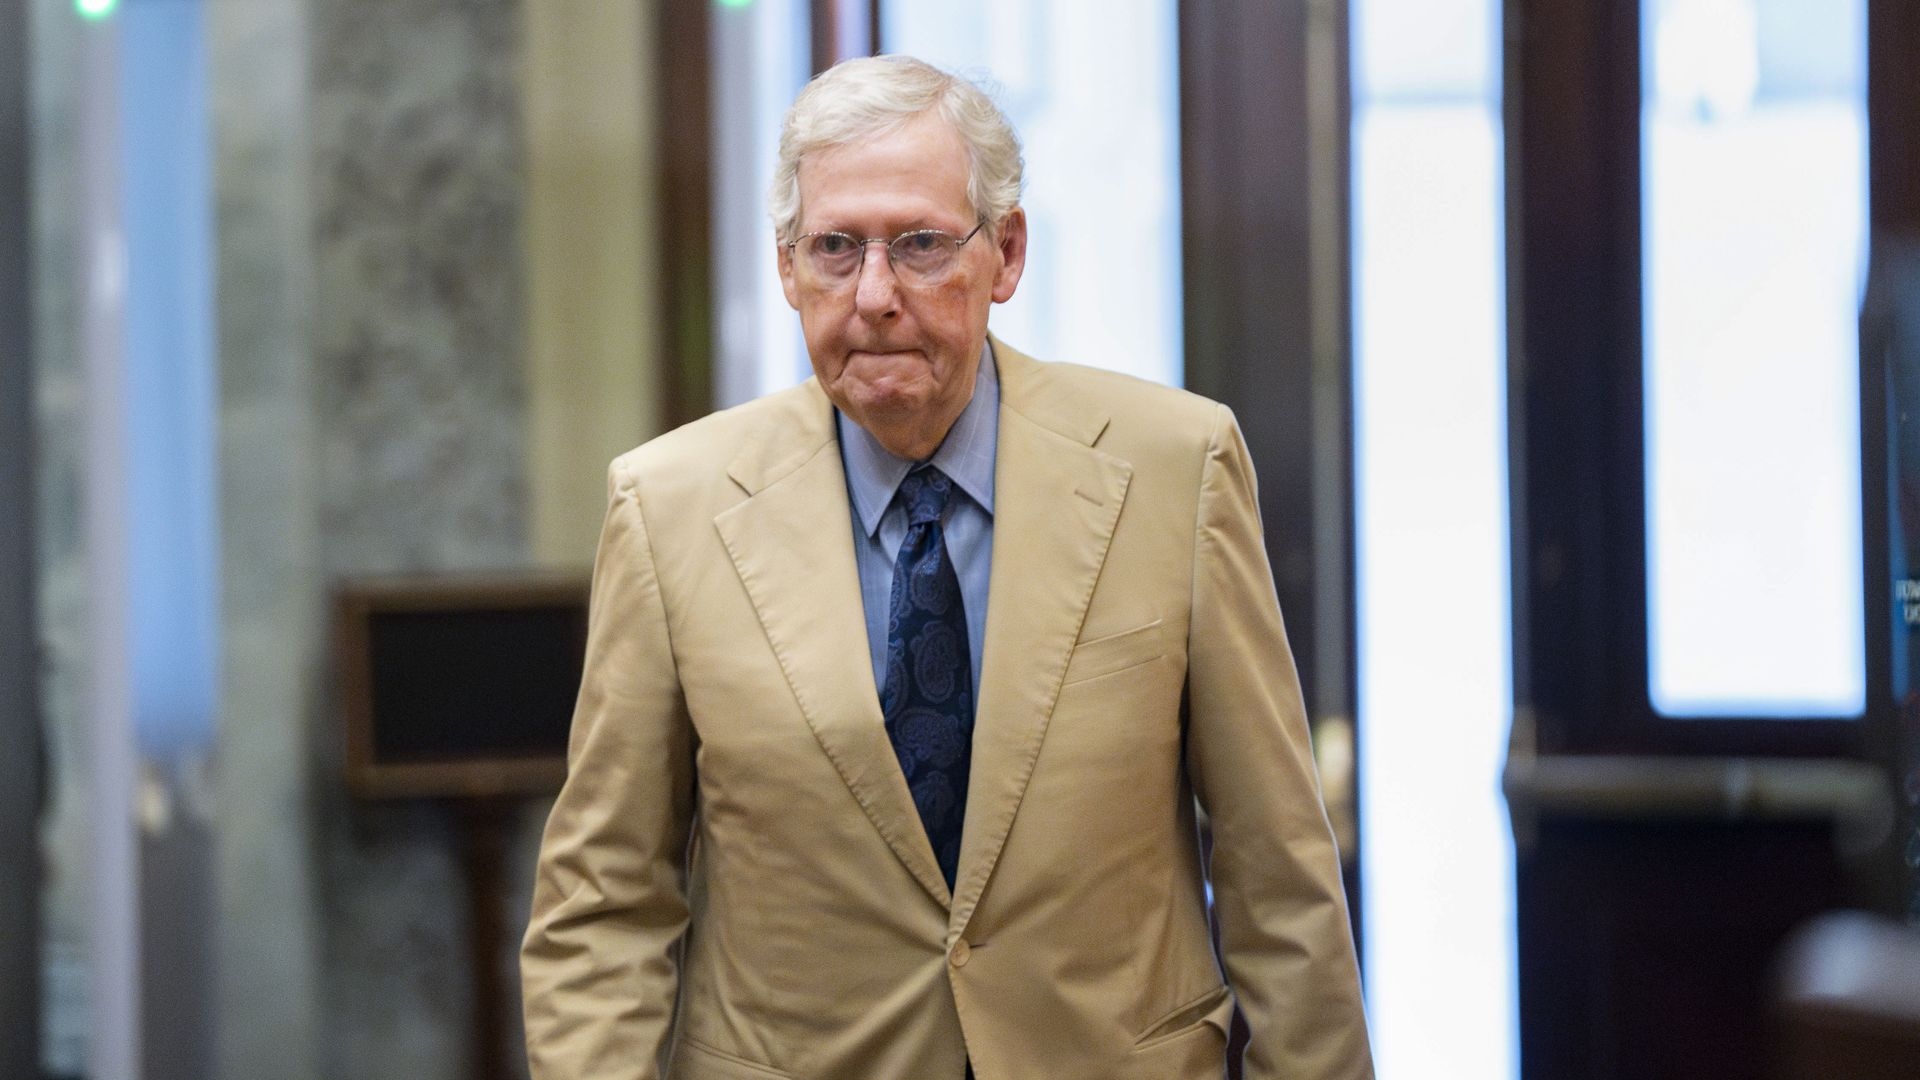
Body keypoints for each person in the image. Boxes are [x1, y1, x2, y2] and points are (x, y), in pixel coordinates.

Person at [521, 54, 1374, 1080]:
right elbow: (605, 904)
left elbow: (1274, 867)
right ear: (787, 268)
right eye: (835, 248)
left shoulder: (1172, 470)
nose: (874, 295)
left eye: (920, 245)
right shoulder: (670, 508)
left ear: (1005, 254)